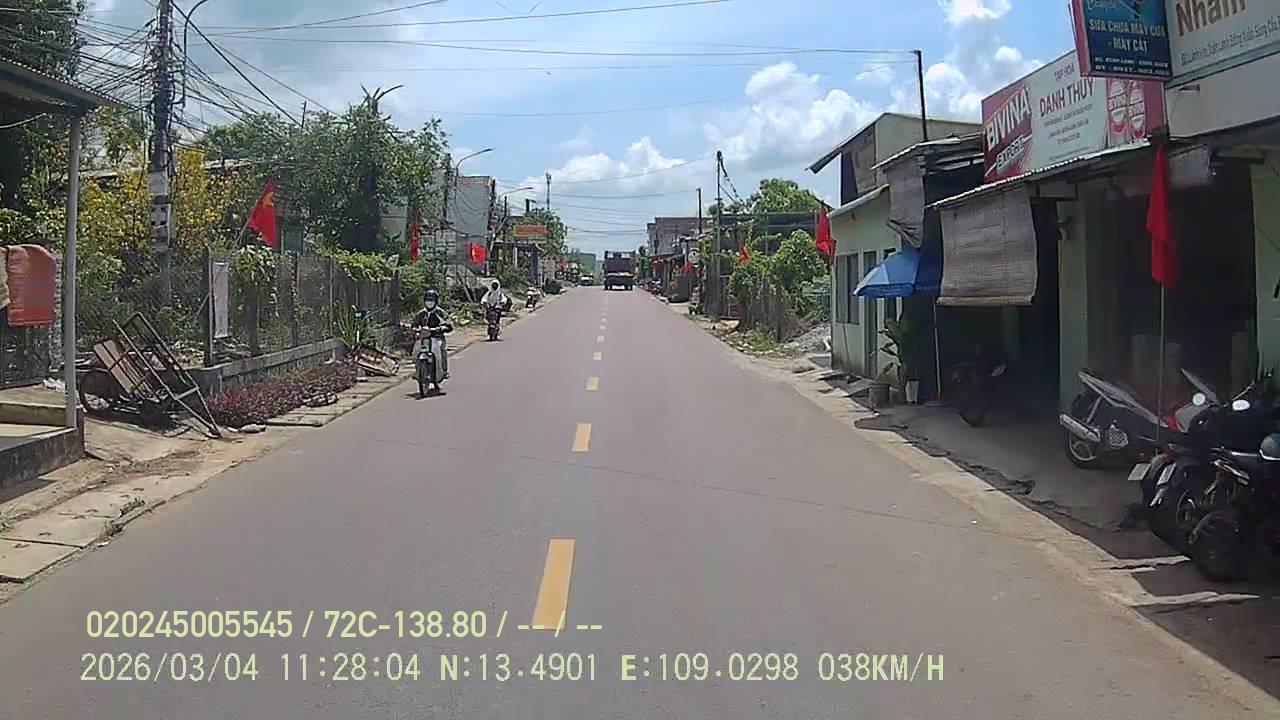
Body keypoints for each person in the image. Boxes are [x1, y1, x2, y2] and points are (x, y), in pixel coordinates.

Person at [414, 289, 450, 378]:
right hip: (423, 338)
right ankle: (417, 371)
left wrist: (443, 328)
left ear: (436, 301)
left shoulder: (440, 312)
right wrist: (415, 330)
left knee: (442, 350)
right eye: (427, 300)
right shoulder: (421, 313)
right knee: (415, 351)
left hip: (437, 337)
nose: (429, 303)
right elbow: (414, 324)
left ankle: (444, 371)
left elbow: (449, 324)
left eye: (431, 300)